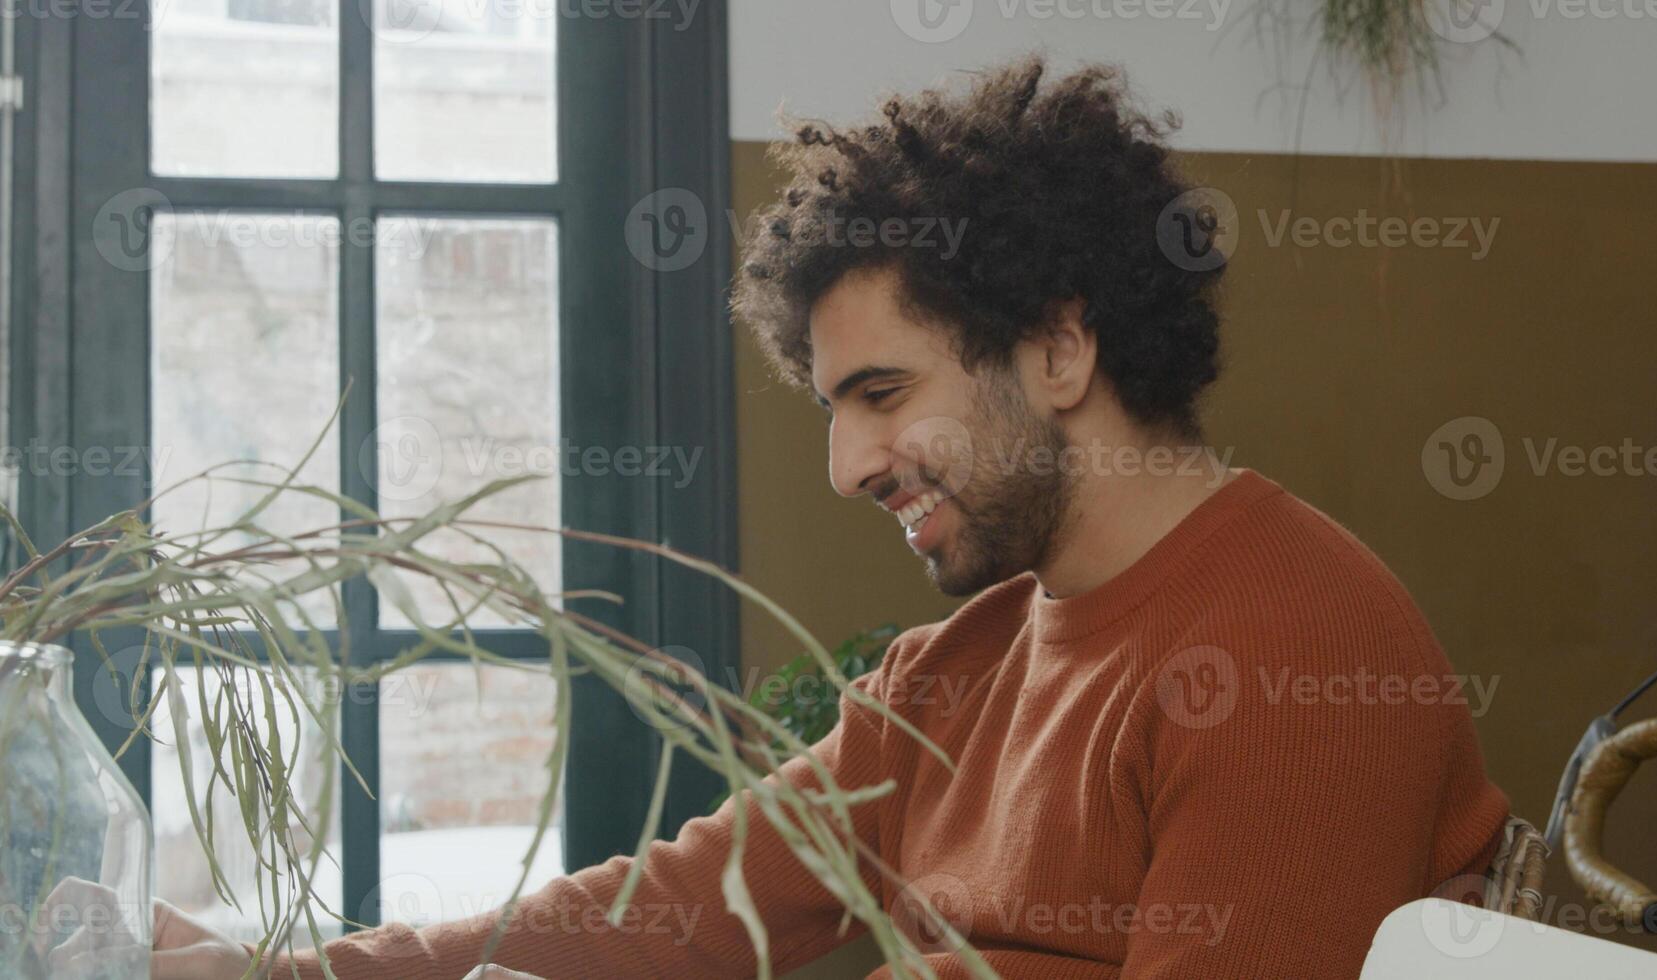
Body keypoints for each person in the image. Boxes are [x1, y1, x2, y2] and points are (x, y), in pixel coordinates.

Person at [151, 55, 1510, 979]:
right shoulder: (965, 662)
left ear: (1056, 348)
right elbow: (679, 910)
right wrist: (275, 972)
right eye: (828, 409)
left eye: (880, 391)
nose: (847, 464)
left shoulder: (1292, 654)